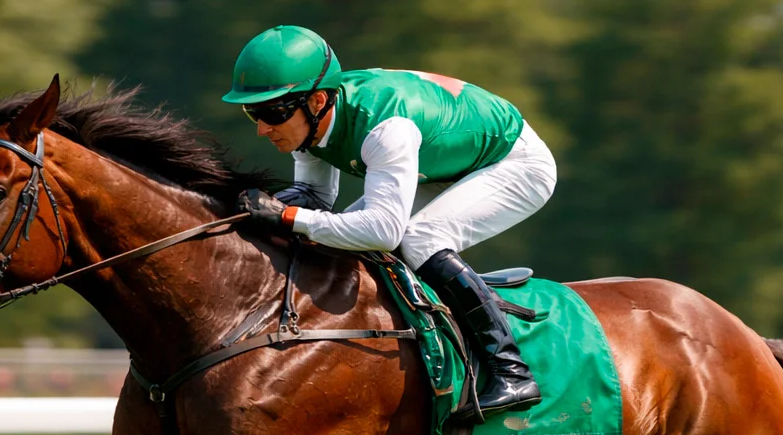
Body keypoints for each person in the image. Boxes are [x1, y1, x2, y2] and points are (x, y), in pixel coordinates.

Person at [223, 25, 557, 415]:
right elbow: (315, 198)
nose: (263, 129)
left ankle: (512, 372)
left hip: (514, 162)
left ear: (316, 101)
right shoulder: (314, 121)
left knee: (419, 239)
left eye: (272, 112)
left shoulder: (385, 131)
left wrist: (287, 216)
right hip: (443, 163)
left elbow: (382, 231)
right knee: (341, 237)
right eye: (253, 113)